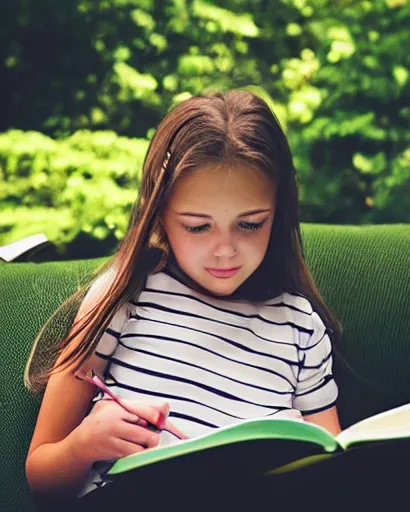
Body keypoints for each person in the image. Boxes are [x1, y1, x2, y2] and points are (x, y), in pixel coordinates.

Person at [24, 90, 342, 510]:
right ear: (159, 215)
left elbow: (336, 463)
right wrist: (84, 445)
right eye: (197, 227)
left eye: (249, 225)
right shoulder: (123, 295)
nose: (224, 250)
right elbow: (41, 474)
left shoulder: (299, 325)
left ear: (277, 214)